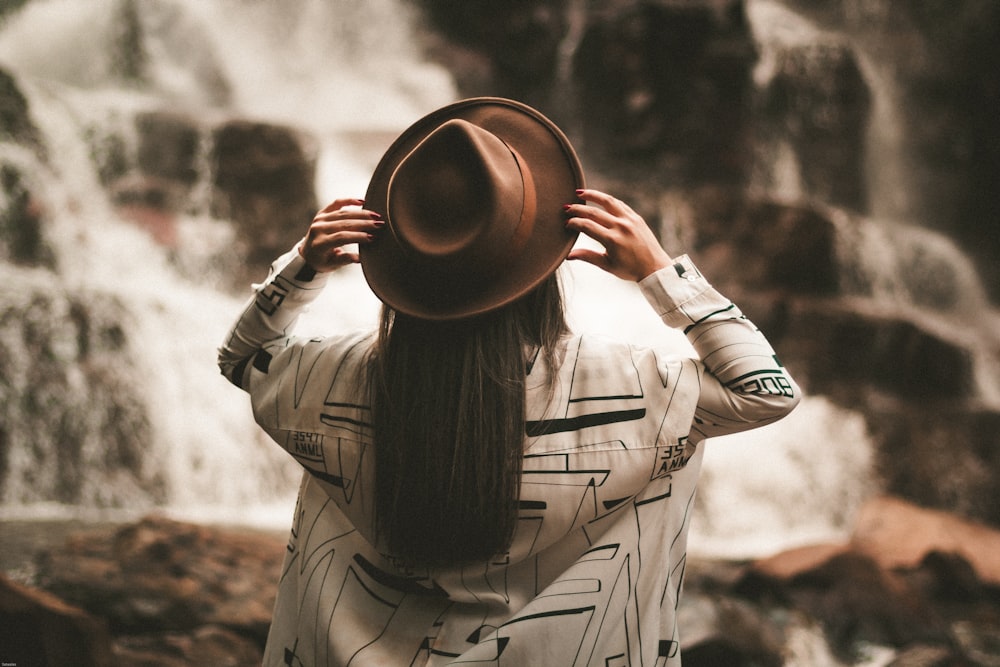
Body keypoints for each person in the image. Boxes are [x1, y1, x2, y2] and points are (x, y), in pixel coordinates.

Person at [218, 97, 800, 666]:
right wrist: (660, 274)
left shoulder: (326, 384)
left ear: (399, 262)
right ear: (544, 264)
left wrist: (301, 268)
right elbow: (765, 390)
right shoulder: (632, 387)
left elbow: (242, 358)